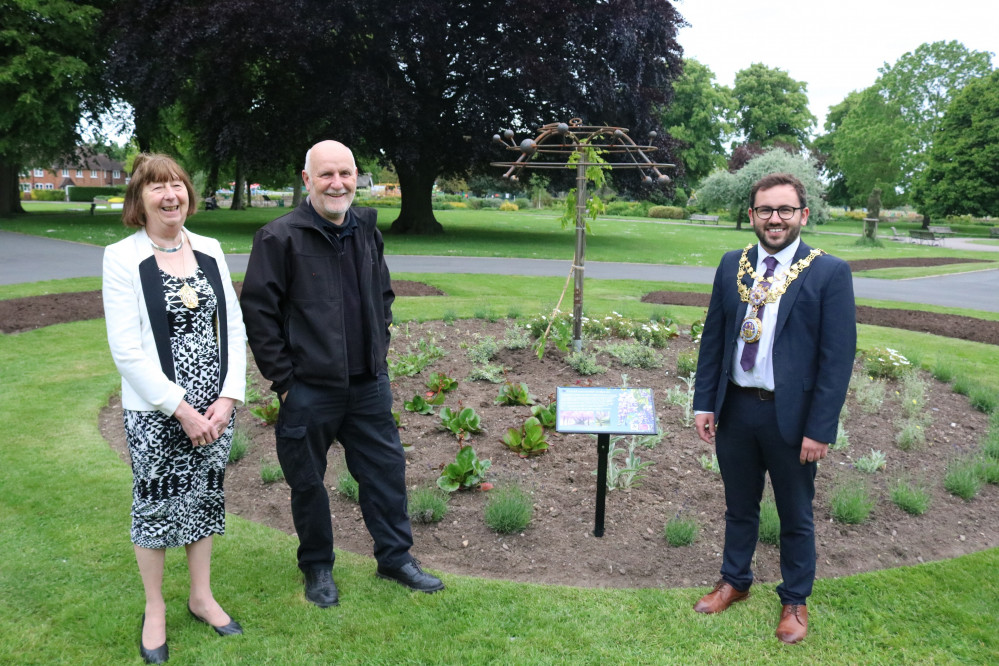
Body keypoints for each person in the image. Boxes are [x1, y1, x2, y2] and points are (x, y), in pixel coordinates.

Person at [240, 139, 444, 608]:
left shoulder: (366, 230)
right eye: (327, 174)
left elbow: (384, 297)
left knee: (385, 473)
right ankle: (317, 568)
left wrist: (380, 354)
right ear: (307, 180)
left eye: (346, 173)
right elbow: (260, 315)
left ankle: (395, 559)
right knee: (308, 481)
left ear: (357, 178)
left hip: (368, 386)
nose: (338, 183)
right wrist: (285, 383)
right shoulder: (279, 238)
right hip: (308, 390)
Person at [691, 172, 856, 644]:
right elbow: (715, 339)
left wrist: (820, 428)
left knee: (795, 514)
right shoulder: (732, 264)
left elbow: (836, 358)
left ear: (804, 215)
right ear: (751, 216)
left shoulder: (828, 271)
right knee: (739, 506)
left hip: (794, 417)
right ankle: (735, 582)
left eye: (785, 210)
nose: (775, 219)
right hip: (737, 409)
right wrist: (705, 402)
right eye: (766, 210)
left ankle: (794, 600)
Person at [103, 154, 247, 664]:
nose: (170, 195)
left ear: (188, 193)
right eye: (157, 187)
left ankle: (201, 597)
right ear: (138, 201)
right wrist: (180, 409)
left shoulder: (209, 248)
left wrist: (228, 397)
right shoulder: (121, 257)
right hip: (157, 410)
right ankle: (155, 608)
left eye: (178, 185)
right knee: (156, 505)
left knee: (205, 498)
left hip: (214, 408)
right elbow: (126, 350)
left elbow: (231, 324)